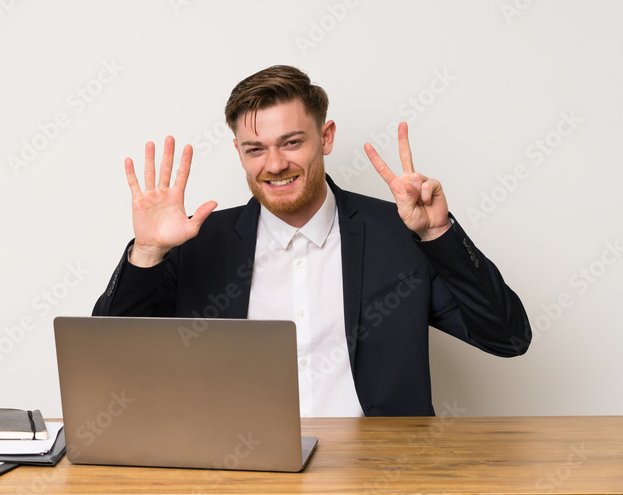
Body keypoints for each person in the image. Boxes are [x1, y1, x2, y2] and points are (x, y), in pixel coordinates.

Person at [92, 65, 531, 417]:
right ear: (239, 153)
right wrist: (147, 252)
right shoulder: (199, 243)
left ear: (326, 137)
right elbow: (110, 364)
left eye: (291, 142)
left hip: (381, 472)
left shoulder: (400, 233)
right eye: (255, 149)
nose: (274, 164)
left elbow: (508, 338)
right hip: (241, 474)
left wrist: (438, 234)